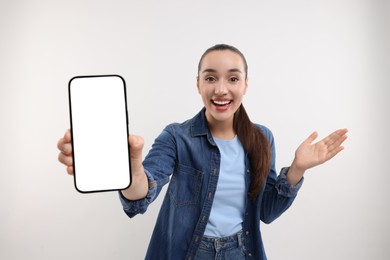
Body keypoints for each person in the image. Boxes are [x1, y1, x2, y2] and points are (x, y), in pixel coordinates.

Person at [57, 44, 348, 260]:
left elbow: (267, 212)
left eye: (233, 79)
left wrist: (297, 169)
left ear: (246, 85)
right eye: (210, 78)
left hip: (241, 251)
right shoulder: (176, 136)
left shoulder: (262, 137)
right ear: (198, 83)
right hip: (188, 252)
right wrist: (131, 169)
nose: (221, 89)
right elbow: (141, 194)